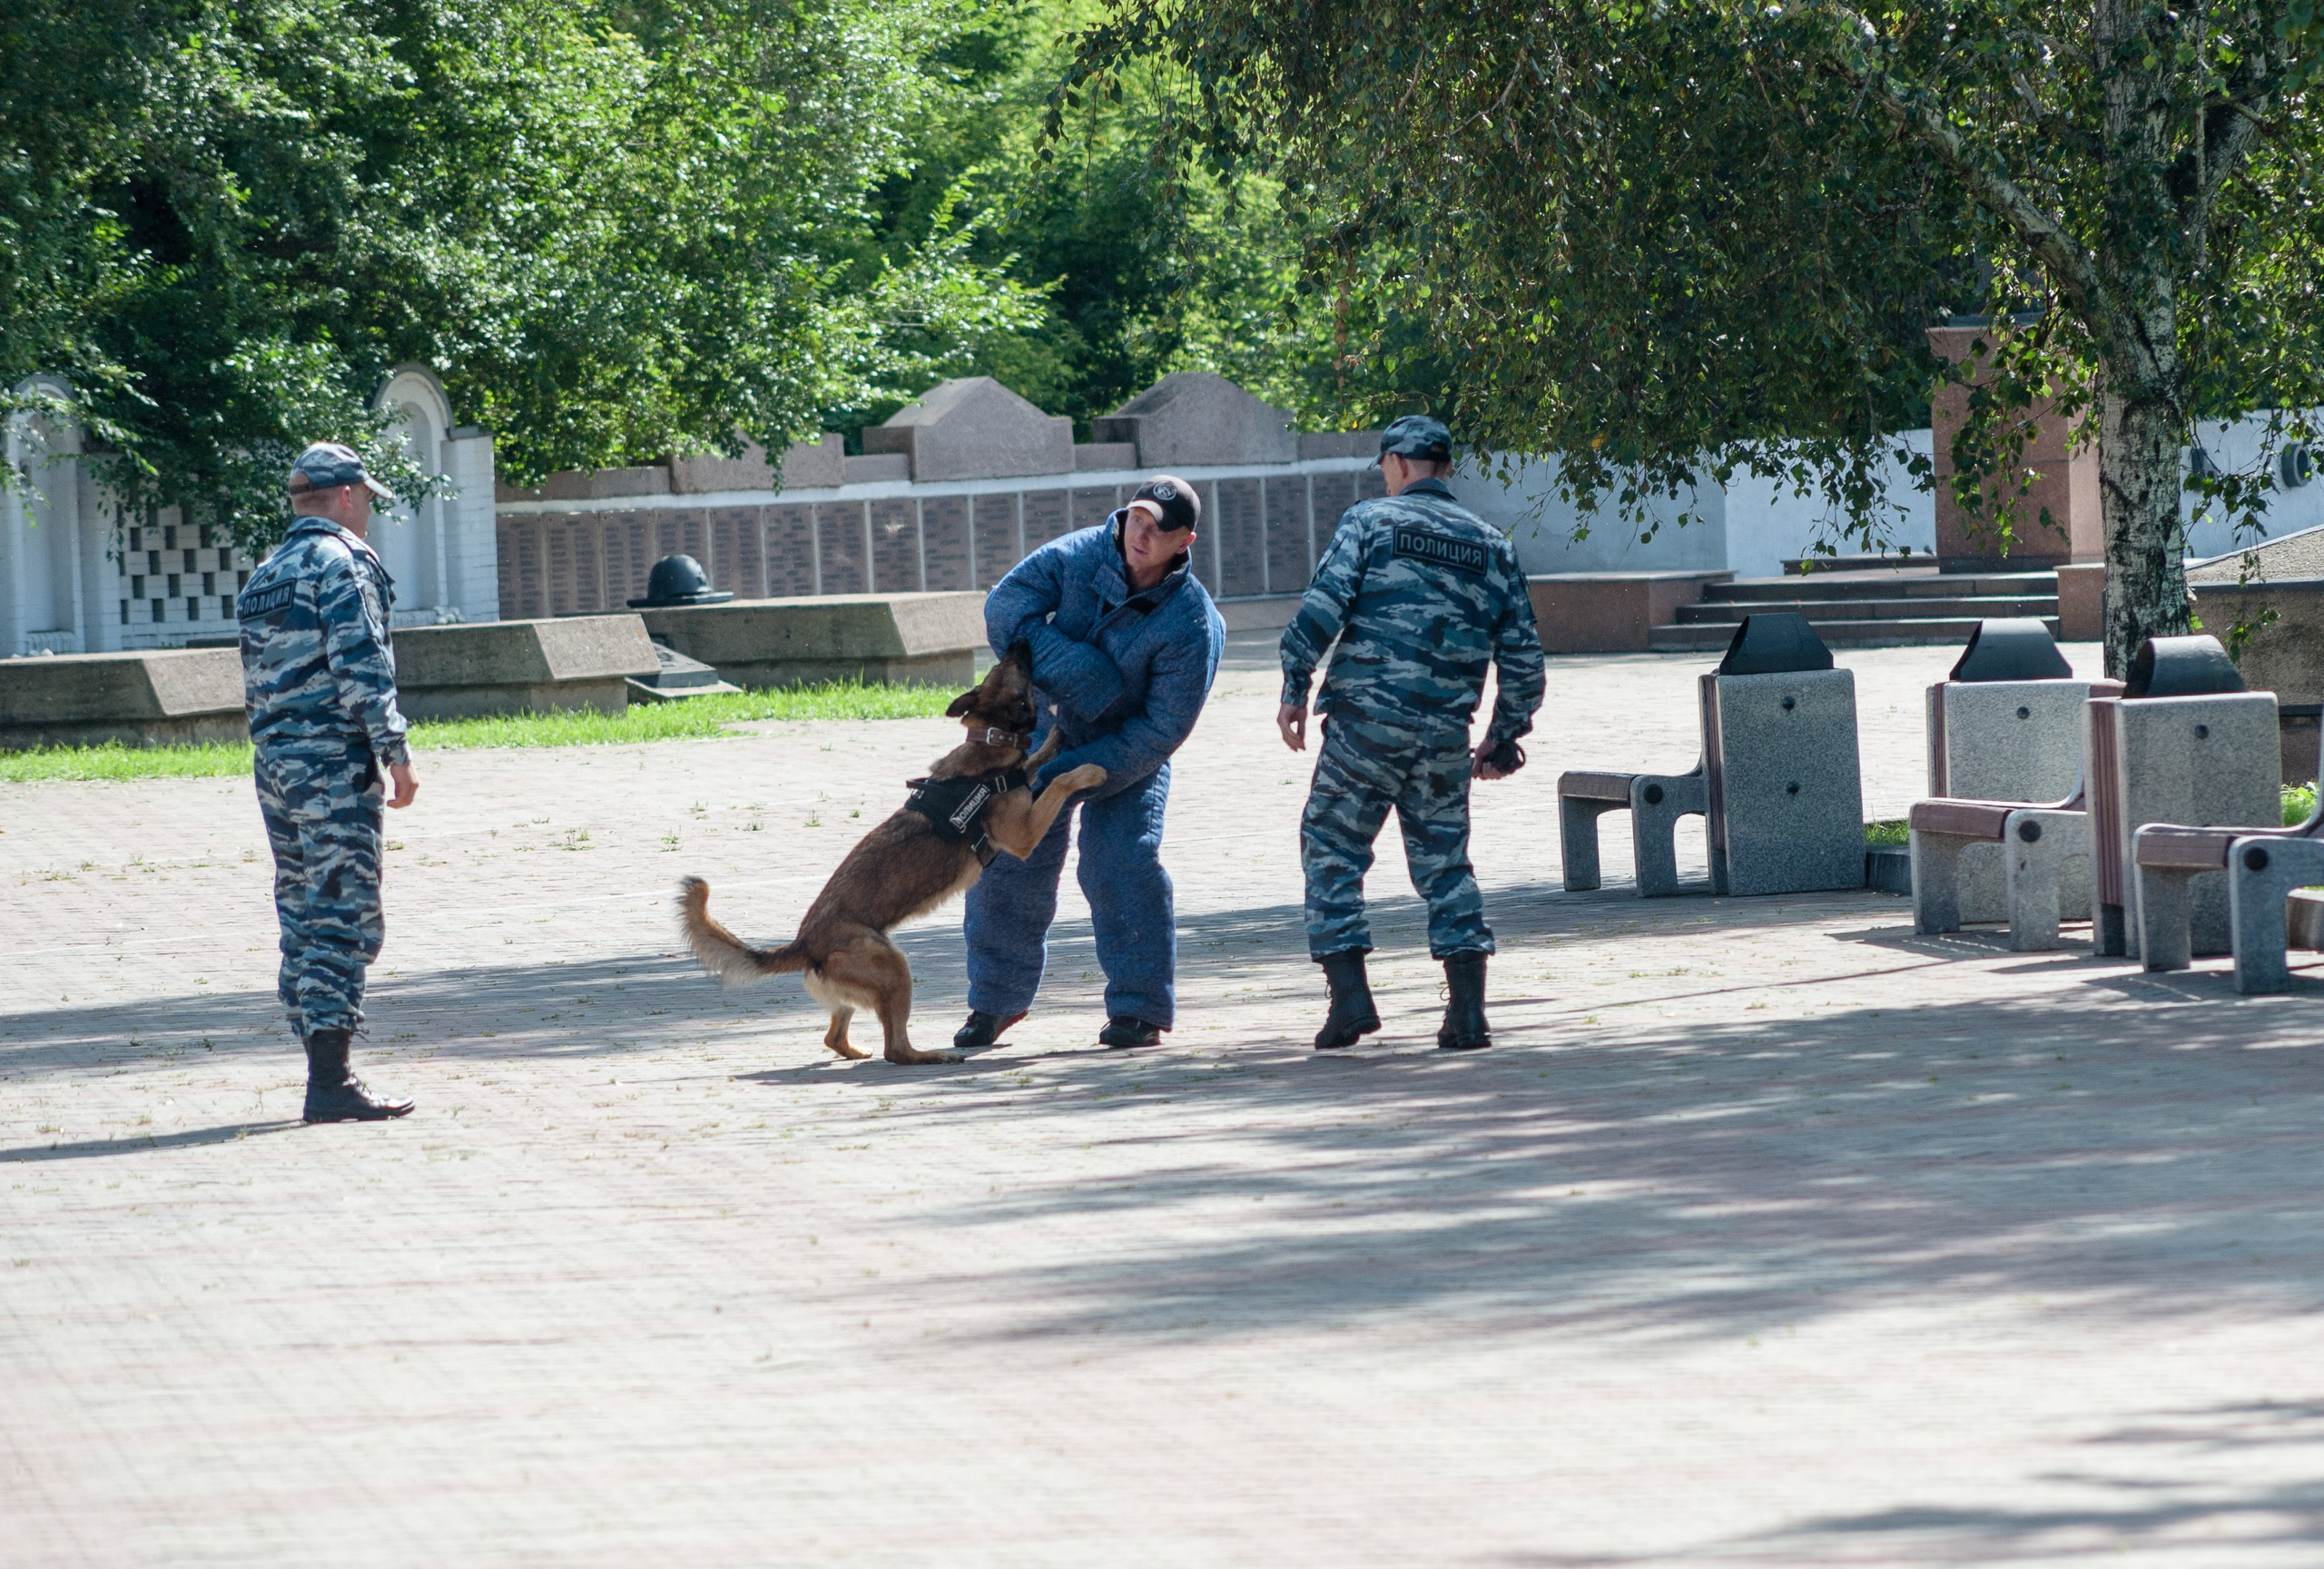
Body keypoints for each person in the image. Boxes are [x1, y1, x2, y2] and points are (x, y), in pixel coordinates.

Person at [1277, 415, 1545, 1051]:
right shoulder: (1492, 545)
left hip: (1365, 728)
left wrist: (1295, 685)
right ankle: (1468, 1016)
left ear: (1396, 464)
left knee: (1332, 847)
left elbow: (1322, 608)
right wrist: (1504, 737)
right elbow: (1525, 658)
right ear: (1446, 468)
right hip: (1444, 734)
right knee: (1446, 866)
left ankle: (1350, 1003)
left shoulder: (1370, 521)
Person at [958, 476, 1226, 1050]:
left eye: (1159, 529)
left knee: (1120, 863)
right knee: (1009, 858)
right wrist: (1078, 668)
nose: (1142, 534)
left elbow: (1161, 730)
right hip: (1049, 728)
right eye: (1137, 519)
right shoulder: (1079, 555)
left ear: (1186, 541)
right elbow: (1006, 607)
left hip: (1128, 754)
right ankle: (994, 1002)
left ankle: (1139, 1008)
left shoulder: (1192, 623)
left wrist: (1075, 771)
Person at [235, 441, 420, 1122]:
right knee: (343, 914)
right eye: (367, 497)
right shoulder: (342, 563)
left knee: (302, 914)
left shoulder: (266, 573)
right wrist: (394, 751)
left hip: (276, 767)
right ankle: (330, 1083)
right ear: (346, 495)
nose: (368, 508)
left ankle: (321, 1064)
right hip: (331, 767)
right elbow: (361, 664)